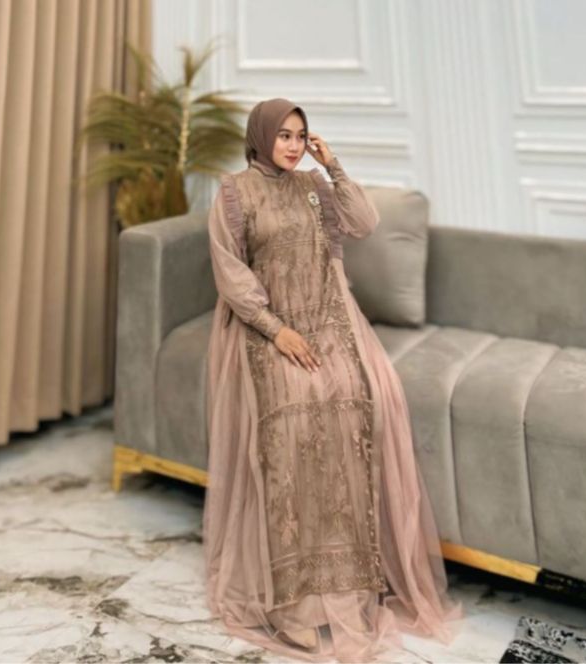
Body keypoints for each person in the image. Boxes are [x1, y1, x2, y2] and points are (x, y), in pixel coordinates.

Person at [202, 97, 464, 663]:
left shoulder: (315, 187)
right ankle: (293, 605)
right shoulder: (233, 193)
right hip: (266, 328)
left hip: (328, 322)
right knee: (291, 423)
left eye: (301, 136)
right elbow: (231, 271)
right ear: (261, 136)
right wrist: (277, 331)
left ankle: (347, 592)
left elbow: (365, 223)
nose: (293, 145)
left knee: (355, 399)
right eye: (284, 135)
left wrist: (334, 165)